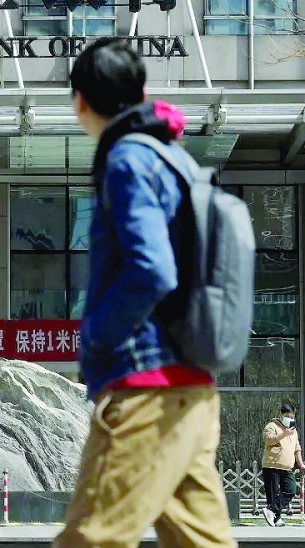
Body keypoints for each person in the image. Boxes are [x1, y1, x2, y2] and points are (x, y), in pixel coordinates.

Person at [53, 38, 236, 548]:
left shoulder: (127, 160)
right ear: (141, 92)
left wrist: (98, 336)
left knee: (92, 538)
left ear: (81, 102)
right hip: (191, 387)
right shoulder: (169, 157)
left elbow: (152, 270)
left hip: (145, 386)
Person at [262, 403, 305, 527]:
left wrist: (301, 464)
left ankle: (271, 511)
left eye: (292, 416)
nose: (290, 418)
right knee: (272, 493)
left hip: (287, 467)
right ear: (281, 415)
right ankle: (276, 518)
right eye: (287, 415)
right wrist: (283, 434)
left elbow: (297, 448)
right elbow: (268, 440)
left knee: (290, 490)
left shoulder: (294, 431)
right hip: (272, 465)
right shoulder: (271, 426)